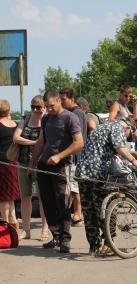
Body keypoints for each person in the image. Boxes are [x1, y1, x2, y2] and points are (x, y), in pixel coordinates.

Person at [75, 119, 137, 256]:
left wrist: (133, 153)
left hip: (82, 172)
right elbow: (120, 148)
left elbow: (108, 149)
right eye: (127, 135)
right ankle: (108, 243)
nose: (125, 138)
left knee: (89, 212)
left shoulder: (101, 128)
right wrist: (134, 161)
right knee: (107, 207)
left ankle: (94, 246)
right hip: (98, 173)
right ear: (127, 128)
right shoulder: (117, 128)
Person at [30, 90, 84, 253]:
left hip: (62, 165)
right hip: (44, 165)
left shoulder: (70, 117)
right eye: (46, 107)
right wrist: (33, 162)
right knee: (47, 202)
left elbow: (79, 143)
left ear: (59, 101)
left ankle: (65, 239)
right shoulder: (46, 118)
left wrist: (59, 156)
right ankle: (56, 236)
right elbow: (41, 142)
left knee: (62, 201)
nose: (49, 109)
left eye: (51, 106)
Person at [13, 95, 49, 241]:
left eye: (38, 107)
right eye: (33, 106)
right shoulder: (25, 119)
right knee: (25, 197)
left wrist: (28, 141)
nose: (35, 110)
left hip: (41, 164)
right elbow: (16, 138)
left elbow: (46, 142)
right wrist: (34, 142)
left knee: (43, 198)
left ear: (44, 107)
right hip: (23, 163)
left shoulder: (47, 120)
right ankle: (26, 230)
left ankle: (44, 230)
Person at [60, 88, 87, 227]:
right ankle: (74, 213)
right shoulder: (72, 113)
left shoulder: (76, 113)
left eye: (63, 99)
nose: (61, 102)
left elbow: (78, 137)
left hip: (75, 156)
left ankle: (78, 214)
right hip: (73, 155)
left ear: (72, 98)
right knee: (71, 186)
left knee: (74, 186)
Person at [0, 100, 20, 232]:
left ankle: (5, 225)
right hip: (14, 163)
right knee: (11, 197)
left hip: (1, 163)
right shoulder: (15, 125)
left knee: (2, 198)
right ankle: (13, 223)